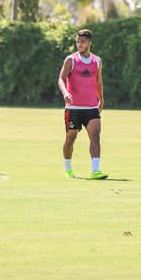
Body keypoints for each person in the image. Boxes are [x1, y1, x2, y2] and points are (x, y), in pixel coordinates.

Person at [58, 28, 107, 180]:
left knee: (95, 137)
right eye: (78, 42)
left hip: (91, 107)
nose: (79, 44)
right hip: (73, 108)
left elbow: (98, 81)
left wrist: (101, 99)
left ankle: (95, 170)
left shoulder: (97, 61)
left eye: (83, 42)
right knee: (70, 139)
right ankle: (68, 169)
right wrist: (65, 93)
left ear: (89, 43)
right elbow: (61, 79)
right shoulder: (71, 60)